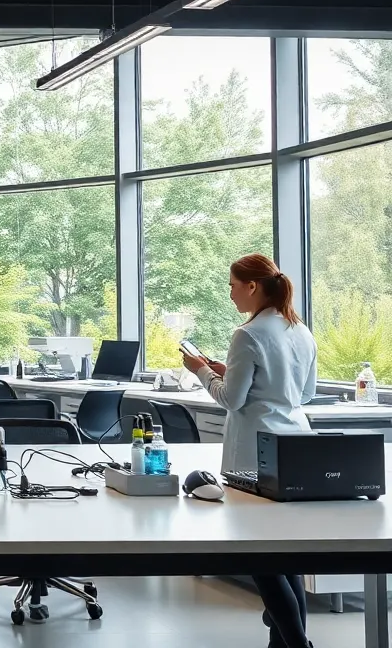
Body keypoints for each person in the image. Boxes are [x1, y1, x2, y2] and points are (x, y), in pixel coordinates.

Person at [181, 253, 317, 648]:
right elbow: (304, 393)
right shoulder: (299, 329)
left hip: (255, 453)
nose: (230, 294)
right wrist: (229, 369)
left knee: (261, 560)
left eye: (232, 286)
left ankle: (297, 644)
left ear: (252, 286)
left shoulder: (248, 334)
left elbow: (231, 400)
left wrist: (202, 371)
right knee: (285, 557)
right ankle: (286, 643)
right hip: (295, 446)